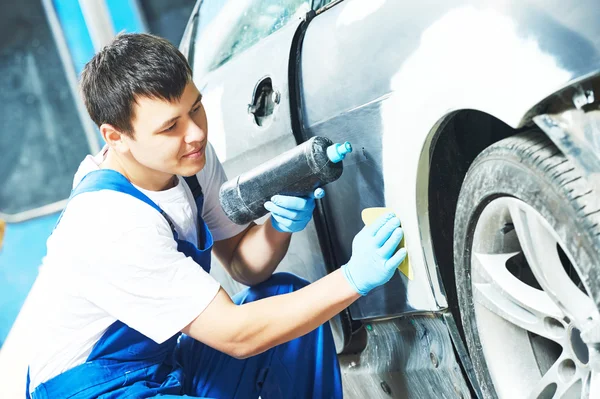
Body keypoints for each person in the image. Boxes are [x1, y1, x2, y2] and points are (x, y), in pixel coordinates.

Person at [25, 33, 407, 399]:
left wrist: (277, 227)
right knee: (269, 319)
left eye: (195, 108)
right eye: (170, 126)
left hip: (161, 366)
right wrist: (354, 278)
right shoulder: (111, 222)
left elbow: (244, 265)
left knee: (283, 295)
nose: (195, 133)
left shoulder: (186, 161)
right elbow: (237, 336)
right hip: (97, 390)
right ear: (115, 137)